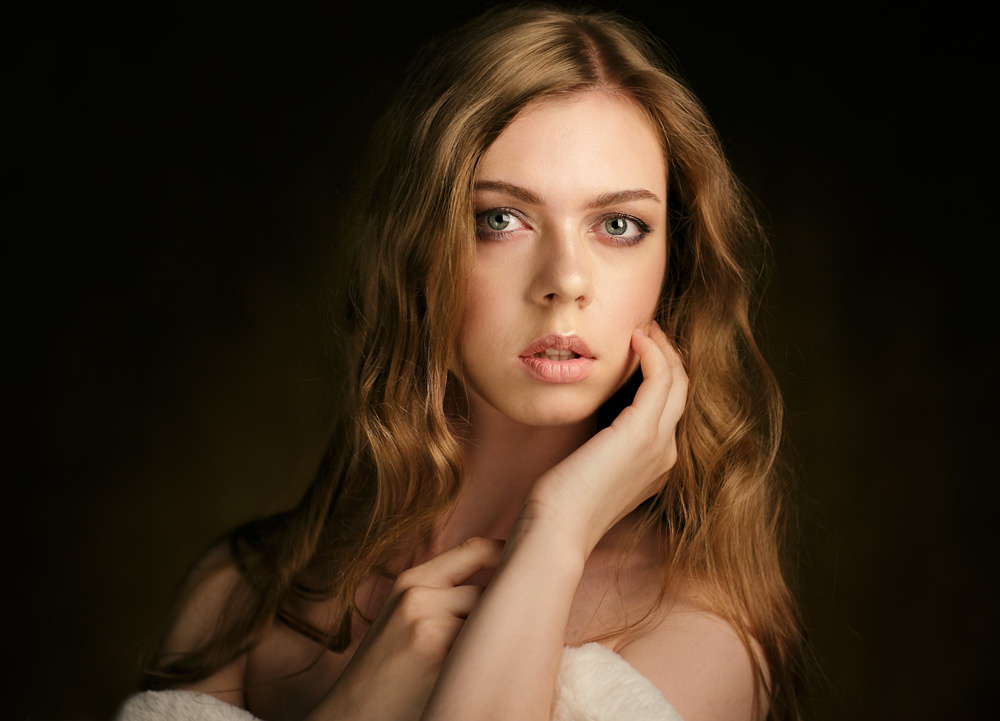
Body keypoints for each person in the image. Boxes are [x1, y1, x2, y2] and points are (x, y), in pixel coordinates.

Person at [117, 4, 804, 720]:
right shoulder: (241, 595)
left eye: (618, 224)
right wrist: (356, 705)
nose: (566, 280)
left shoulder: (698, 634)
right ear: (418, 249)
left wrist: (555, 529)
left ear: (674, 264)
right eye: (500, 219)